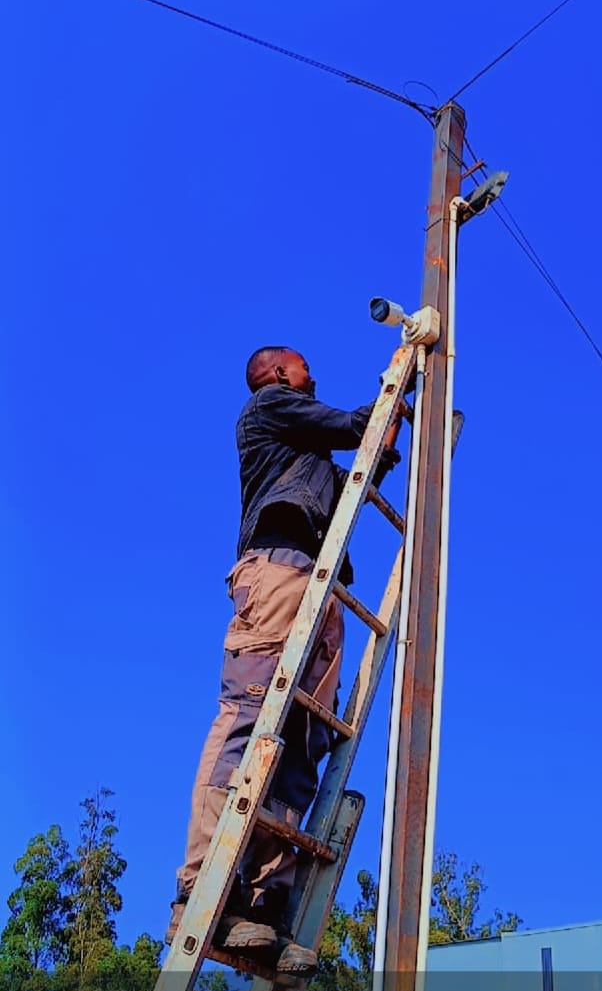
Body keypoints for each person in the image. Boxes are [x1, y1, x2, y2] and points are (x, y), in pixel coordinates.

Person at [166, 345, 403, 974]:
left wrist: (386, 436)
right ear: (276, 375)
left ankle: (262, 904)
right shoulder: (269, 408)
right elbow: (355, 426)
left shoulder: (308, 458)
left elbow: (361, 470)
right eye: (302, 367)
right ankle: (202, 886)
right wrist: (399, 378)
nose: (311, 374)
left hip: (323, 587)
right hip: (277, 571)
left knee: (302, 741)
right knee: (247, 718)